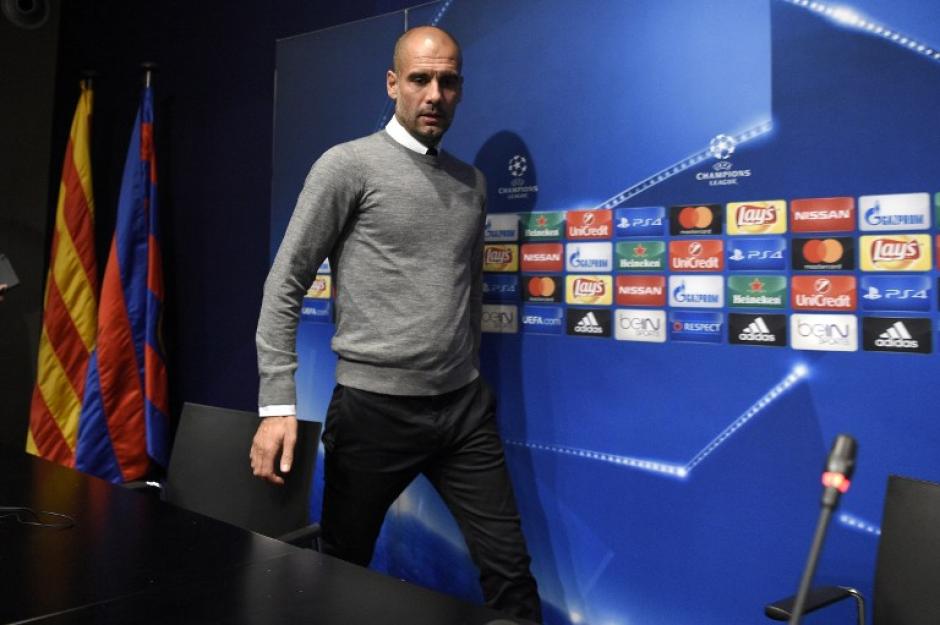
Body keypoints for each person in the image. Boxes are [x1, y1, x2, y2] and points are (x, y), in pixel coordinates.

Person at [250, 26, 541, 622]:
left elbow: (465, 289)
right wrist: (276, 402)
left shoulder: (472, 183)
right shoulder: (347, 166)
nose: (434, 94)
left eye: (448, 81)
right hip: (373, 411)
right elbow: (285, 284)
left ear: (460, 89)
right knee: (336, 571)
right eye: (420, 79)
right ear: (393, 84)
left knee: (510, 575)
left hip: (462, 413)